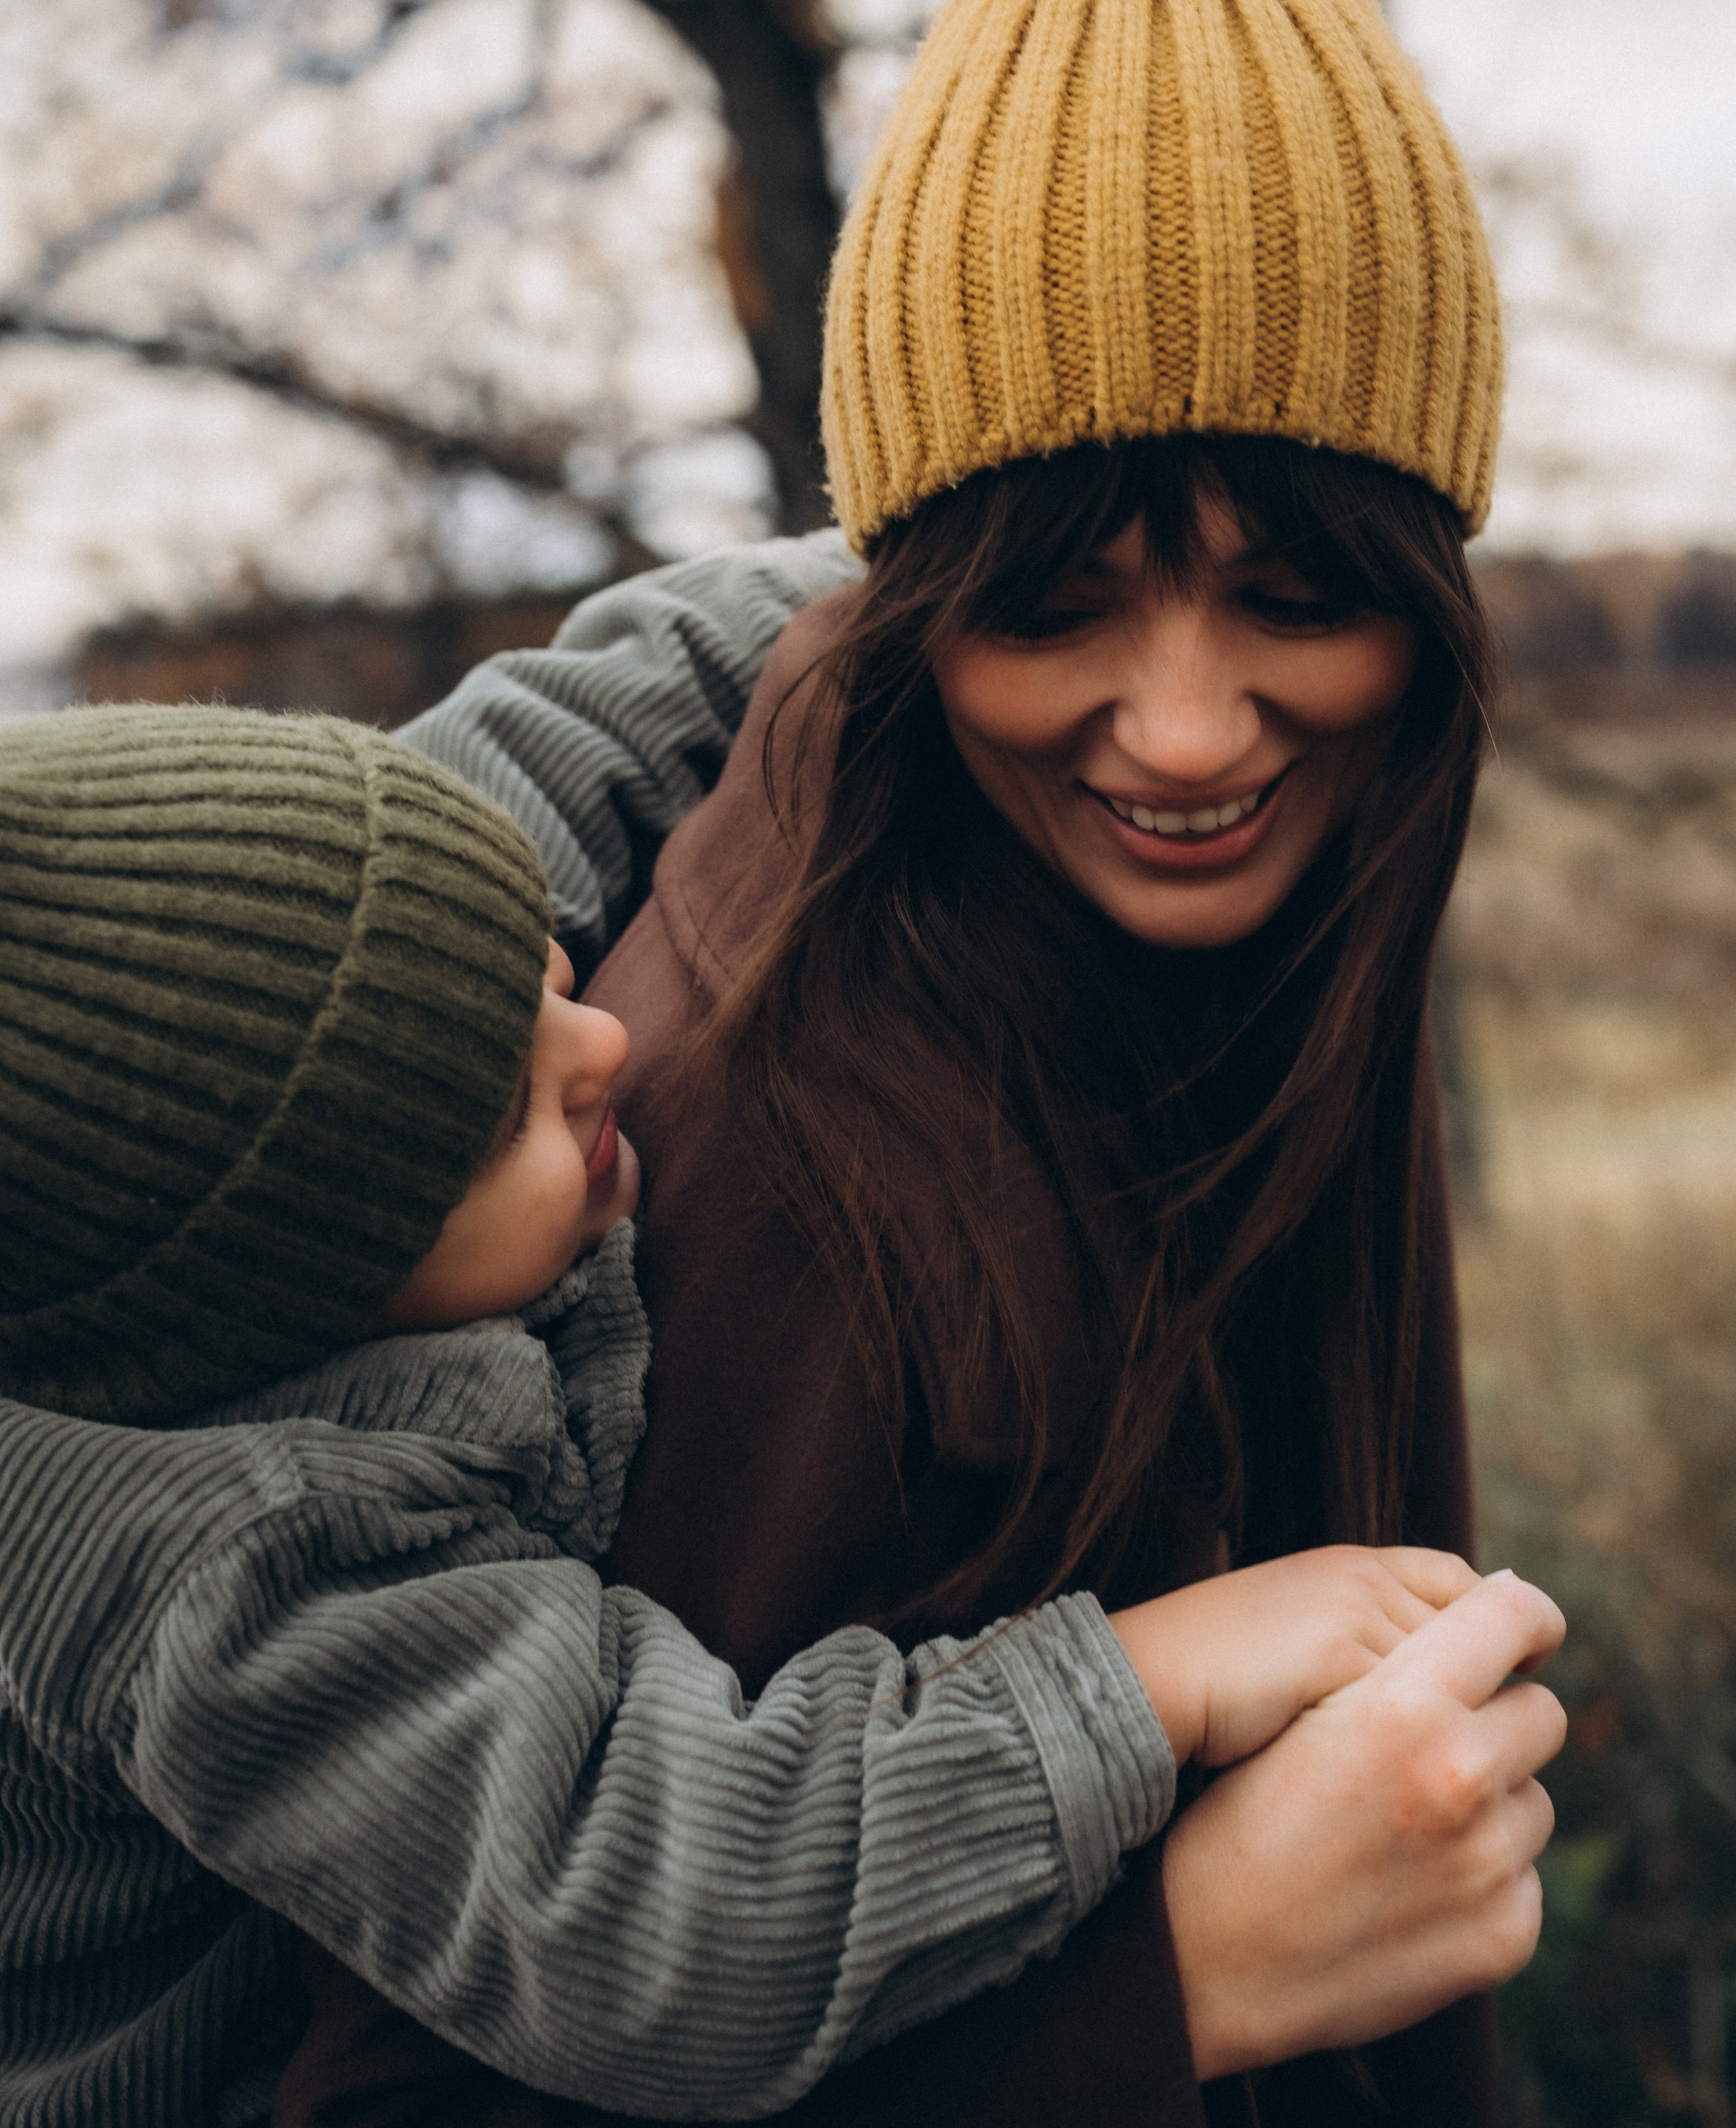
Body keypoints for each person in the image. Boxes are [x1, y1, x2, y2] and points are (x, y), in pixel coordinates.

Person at [283, 0, 1568, 2127]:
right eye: (1058, 604)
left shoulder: (1304, 915)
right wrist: (1163, 1991)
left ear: (1433, 586)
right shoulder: (747, 1154)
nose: (1188, 732)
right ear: (907, 598)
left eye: (1292, 591)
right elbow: (396, 2087)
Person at [0, 700, 1535, 2128]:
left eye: (535, 966)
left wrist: (958, 587)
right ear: (294, 1299)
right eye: (500, 1113)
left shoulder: (365, 932)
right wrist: (1135, 1688)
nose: (600, 1042)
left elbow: (601, 699)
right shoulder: (244, 1572)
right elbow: (663, 1903)